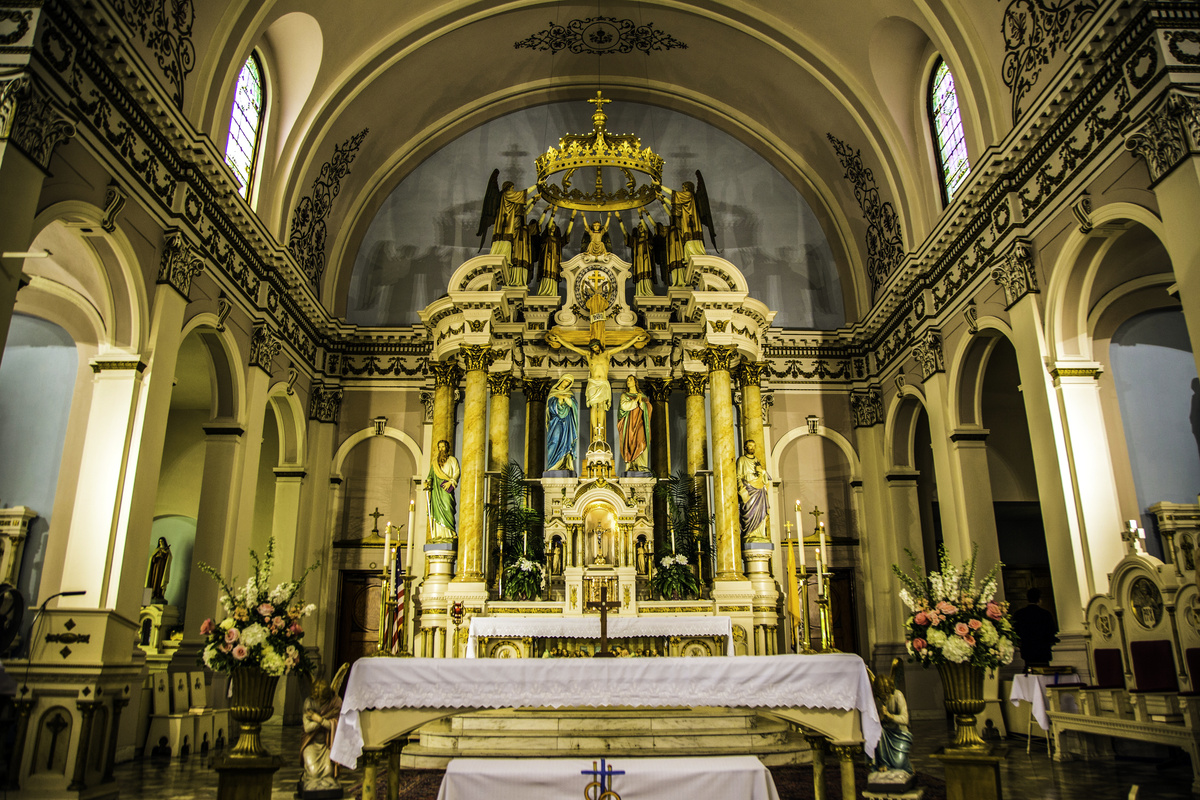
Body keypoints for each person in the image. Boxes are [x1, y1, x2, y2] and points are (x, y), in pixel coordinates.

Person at [547, 333, 650, 442]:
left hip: (603, 383)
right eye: (592, 348)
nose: (594, 349)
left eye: (595, 347)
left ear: (599, 346)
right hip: (593, 383)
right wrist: (559, 339)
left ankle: (600, 430)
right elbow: (573, 347)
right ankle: (595, 432)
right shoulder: (588, 355)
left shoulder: (607, 353)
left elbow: (622, 347)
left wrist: (634, 340)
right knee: (593, 407)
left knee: (601, 406)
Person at [870, 659, 915, 787]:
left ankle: (906, 766)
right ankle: (883, 763)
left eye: (886, 696)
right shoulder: (876, 699)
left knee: (899, 764)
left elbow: (905, 719)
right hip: (885, 736)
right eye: (881, 697)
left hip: (900, 733)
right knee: (879, 731)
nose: (884, 699)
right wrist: (880, 717)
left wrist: (889, 716)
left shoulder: (897, 695)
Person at [300, 669, 346, 794]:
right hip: (312, 744)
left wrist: (318, 719)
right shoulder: (309, 702)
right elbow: (308, 728)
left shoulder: (335, 703)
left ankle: (321, 784)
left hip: (327, 745)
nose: (319, 703)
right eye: (317, 700)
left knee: (328, 772)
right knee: (314, 771)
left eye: (322, 701)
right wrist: (324, 721)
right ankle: (308, 780)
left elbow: (336, 726)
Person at [1012, 587, 1058, 667]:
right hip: (1043, 649)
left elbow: (1015, 631)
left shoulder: (1019, 614)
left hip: (1027, 649)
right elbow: (1051, 631)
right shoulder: (1045, 614)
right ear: (1039, 599)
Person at [736, 440, 771, 543]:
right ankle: (749, 534)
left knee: (761, 510)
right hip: (749, 489)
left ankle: (759, 533)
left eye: (753, 446)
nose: (752, 448)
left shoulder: (757, 460)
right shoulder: (742, 460)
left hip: (759, 490)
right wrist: (741, 488)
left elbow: (764, 476)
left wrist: (762, 472)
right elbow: (738, 476)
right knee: (748, 510)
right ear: (745, 447)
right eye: (749, 446)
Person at [426, 440, 460, 542]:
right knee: (437, 511)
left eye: (443, 447)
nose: (441, 449)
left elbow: (457, 472)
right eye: (439, 447)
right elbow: (430, 476)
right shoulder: (435, 462)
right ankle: (439, 534)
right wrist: (427, 483)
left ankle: (450, 532)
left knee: (448, 508)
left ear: (447, 448)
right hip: (437, 491)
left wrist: (451, 482)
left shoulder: (453, 460)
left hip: (447, 490)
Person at [617, 375, 651, 473]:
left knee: (641, 441)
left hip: (640, 423)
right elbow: (624, 406)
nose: (628, 381)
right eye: (627, 380)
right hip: (629, 424)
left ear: (635, 382)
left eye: (631, 379)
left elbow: (649, 409)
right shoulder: (625, 396)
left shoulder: (642, 396)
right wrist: (636, 401)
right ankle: (631, 464)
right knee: (630, 442)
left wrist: (641, 402)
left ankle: (642, 467)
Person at [545, 376, 579, 473]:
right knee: (555, 440)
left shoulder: (569, 394)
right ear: (561, 380)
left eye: (569, 383)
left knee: (567, 441)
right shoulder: (553, 393)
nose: (566, 384)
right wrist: (559, 401)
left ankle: (565, 464)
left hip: (567, 422)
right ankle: (553, 465)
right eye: (566, 381)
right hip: (556, 421)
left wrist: (567, 400)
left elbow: (574, 406)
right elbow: (550, 408)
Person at [145, 537, 172, 604]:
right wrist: (155, 558)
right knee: (154, 581)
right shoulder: (157, 550)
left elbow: (168, 558)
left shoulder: (167, 550)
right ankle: (152, 594)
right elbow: (152, 558)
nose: (161, 542)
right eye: (160, 541)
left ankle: (159, 594)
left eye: (162, 541)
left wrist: (164, 553)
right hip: (155, 568)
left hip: (161, 568)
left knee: (159, 581)